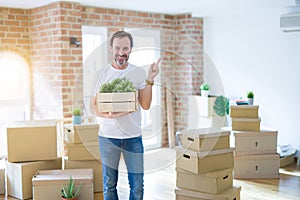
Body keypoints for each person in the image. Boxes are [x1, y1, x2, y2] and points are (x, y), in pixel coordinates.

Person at [90, 30, 160, 200]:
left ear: (131, 49)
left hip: (133, 137)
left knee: (137, 186)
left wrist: (150, 79)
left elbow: (145, 104)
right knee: (109, 184)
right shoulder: (101, 74)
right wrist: (109, 115)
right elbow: (93, 107)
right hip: (107, 137)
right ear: (111, 48)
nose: (121, 52)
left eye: (125, 48)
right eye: (117, 48)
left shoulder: (138, 73)